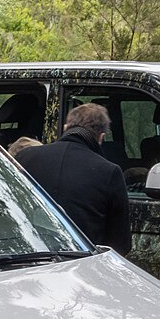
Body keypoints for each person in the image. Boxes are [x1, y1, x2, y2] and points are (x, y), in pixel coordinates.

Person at [15, 103, 131, 254]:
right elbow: (121, 245)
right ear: (101, 137)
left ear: (65, 128)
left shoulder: (25, 157)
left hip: (26, 256)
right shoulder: (109, 171)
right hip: (81, 261)